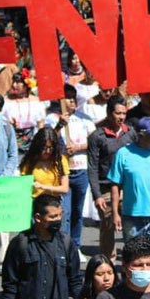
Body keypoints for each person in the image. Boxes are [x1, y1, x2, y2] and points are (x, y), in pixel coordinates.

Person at [108, 118, 150, 281]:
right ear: (140, 134)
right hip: (132, 216)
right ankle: (130, 292)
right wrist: (116, 213)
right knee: (133, 259)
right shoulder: (123, 154)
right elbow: (115, 185)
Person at [48, 84, 95, 253]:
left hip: (81, 170)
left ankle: (76, 246)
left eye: (74, 98)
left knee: (77, 211)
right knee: (65, 212)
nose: (73, 101)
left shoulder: (85, 119)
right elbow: (48, 139)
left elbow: (94, 141)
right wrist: (60, 125)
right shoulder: (53, 119)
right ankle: (63, 246)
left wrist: (78, 148)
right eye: (68, 98)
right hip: (63, 173)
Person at [87, 96, 134, 261]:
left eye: (124, 113)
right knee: (108, 229)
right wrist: (97, 195)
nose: (121, 117)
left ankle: (131, 264)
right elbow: (92, 166)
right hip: (106, 189)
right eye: (117, 113)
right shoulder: (97, 136)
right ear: (108, 113)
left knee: (131, 228)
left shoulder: (131, 133)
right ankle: (109, 267)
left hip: (128, 190)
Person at [21, 126, 70, 200]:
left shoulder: (60, 160)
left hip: (53, 203)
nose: (48, 151)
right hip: (34, 203)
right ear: (38, 146)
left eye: (50, 148)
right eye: (44, 148)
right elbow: (24, 186)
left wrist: (42, 187)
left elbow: (65, 189)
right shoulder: (30, 161)